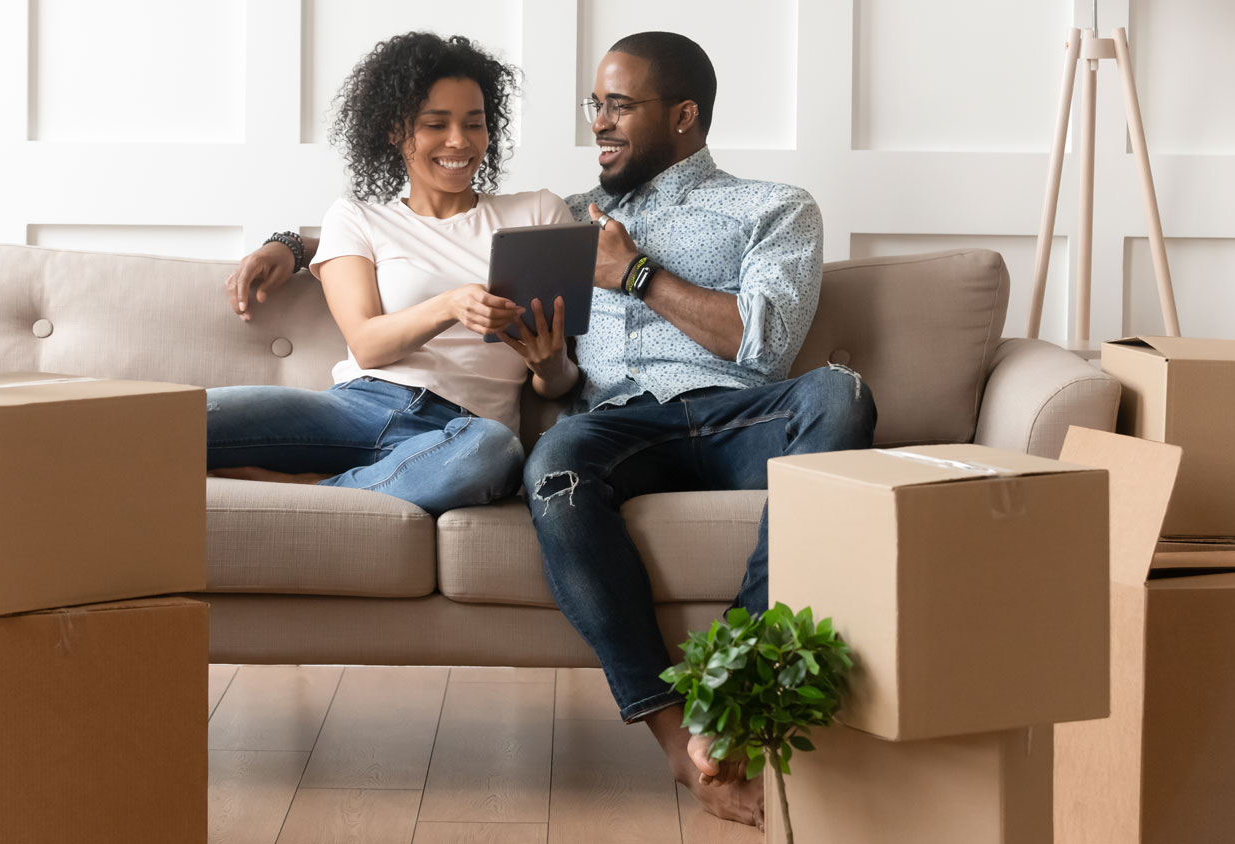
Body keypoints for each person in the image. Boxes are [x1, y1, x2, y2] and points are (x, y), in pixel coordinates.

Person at [230, 32, 878, 828]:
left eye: (618, 106)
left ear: (682, 115)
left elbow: (766, 342)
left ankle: (730, 688)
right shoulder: (567, 218)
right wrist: (288, 244)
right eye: (593, 106)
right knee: (554, 464)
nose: (599, 124)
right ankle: (675, 732)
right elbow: (421, 222)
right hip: (615, 427)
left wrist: (635, 275)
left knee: (842, 394)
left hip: (740, 413)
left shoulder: (774, 206)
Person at [207, 32, 580, 517]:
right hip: (356, 408)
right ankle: (368, 487)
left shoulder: (538, 213)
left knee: (495, 453)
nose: (459, 141)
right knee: (176, 417)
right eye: (435, 124)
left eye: (475, 123)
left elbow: (561, 375)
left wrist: (550, 369)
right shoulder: (358, 217)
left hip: (463, 430)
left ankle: (311, 492)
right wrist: (449, 305)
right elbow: (367, 342)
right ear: (393, 130)